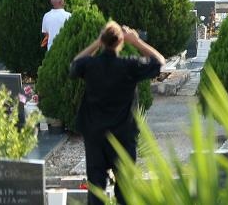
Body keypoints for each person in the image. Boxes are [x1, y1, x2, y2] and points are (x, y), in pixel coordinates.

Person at [70, 21, 165, 205]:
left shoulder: (90, 65)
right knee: (125, 190)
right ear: (120, 42)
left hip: (96, 134)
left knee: (96, 188)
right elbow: (159, 62)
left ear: (103, 41)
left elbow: (75, 64)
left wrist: (96, 43)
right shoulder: (129, 66)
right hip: (123, 134)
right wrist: (136, 41)